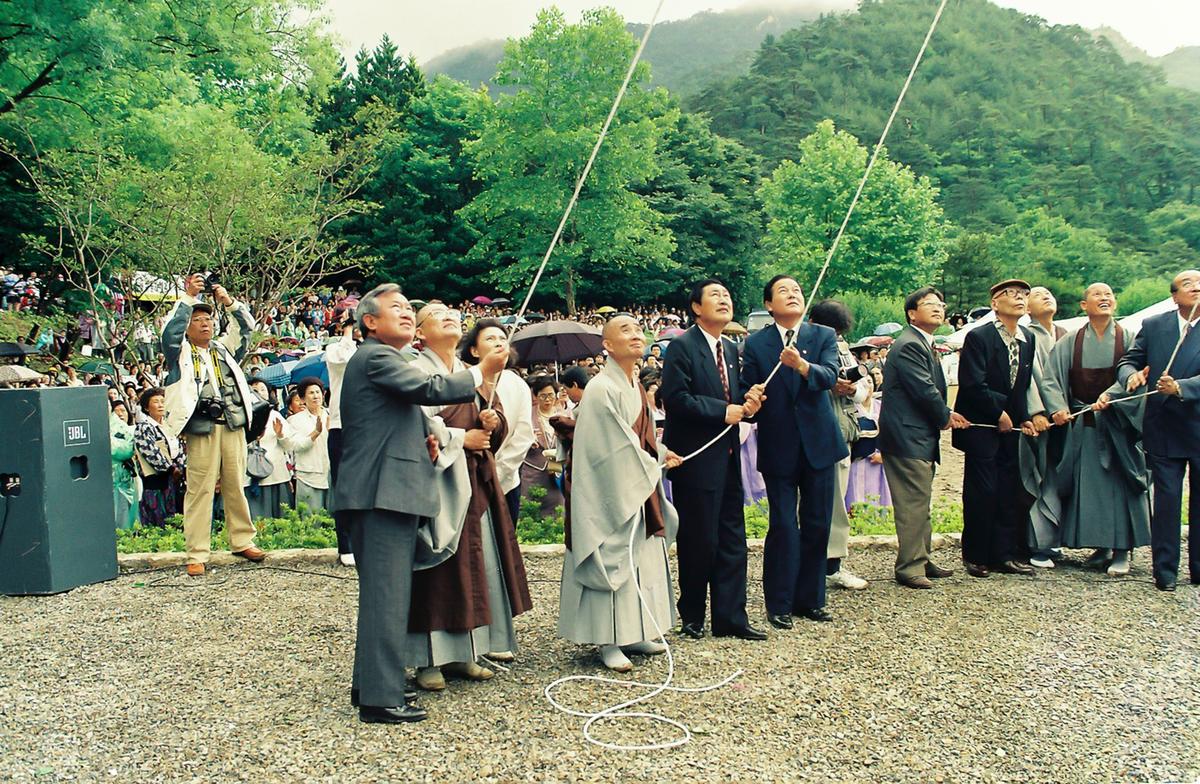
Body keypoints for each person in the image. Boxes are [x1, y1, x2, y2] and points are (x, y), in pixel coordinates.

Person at [333, 283, 509, 724]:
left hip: (387, 491)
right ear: (370, 321)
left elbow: (401, 420)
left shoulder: (383, 360)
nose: (407, 313)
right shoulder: (376, 356)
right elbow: (430, 388)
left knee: (385, 596)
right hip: (380, 494)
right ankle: (380, 698)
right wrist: (479, 371)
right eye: (396, 309)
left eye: (409, 309)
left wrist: (425, 442)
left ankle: (372, 685)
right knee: (387, 597)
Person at [405, 304, 532, 691]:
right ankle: (427, 660)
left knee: (474, 563)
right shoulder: (414, 368)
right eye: (435, 314)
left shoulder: (465, 373)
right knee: (436, 570)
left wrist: (490, 421)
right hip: (436, 478)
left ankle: (465, 652)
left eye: (451, 313)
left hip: (473, 479)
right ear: (420, 333)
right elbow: (418, 422)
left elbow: (484, 424)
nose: (447, 315)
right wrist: (463, 438)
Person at [559, 314, 683, 672]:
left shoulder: (634, 384)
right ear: (607, 346)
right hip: (608, 491)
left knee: (641, 557)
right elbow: (610, 447)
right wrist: (649, 464)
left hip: (636, 484)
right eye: (624, 331)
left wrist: (660, 453)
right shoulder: (601, 388)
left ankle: (636, 629)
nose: (635, 336)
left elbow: (640, 439)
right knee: (611, 556)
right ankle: (608, 639)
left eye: (637, 330)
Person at [660, 279, 765, 641]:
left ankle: (731, 617)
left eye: (727, 296)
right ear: (696, 308)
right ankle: (692, 615)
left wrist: (749, 404)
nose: (724, 300)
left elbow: (737, 404)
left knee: (733, 537)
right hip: (695, 458)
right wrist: (725, 411)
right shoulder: (681, 347)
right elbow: (674, 398)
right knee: (699, 539)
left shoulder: (734, 349)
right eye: (715, 296)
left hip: (730, 456)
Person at [742, 275, 847, 627]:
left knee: (818, 524)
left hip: (819, 443)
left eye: (797, 291)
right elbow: (747, 391)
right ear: (769, 305)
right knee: (784, 525)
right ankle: (779, 603)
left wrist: (801, 365)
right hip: (779, 445)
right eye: (783, 291)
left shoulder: (822, 336)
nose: (792, 295)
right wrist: (751, 399)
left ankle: (812, 599)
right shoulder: (756, 343)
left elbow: (830, 376)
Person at [1042, 283, 1150, 577]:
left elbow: (1137, 373)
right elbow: (1050, 377)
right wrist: (1057, 407)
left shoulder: (1128, 337)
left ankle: (1122, 550)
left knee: (1120, 487)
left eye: (1109, 295)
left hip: (1118, 424)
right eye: (1097, 296)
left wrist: (1112, 396)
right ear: (1083, 305)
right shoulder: (1071, 341)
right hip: (1083, 423)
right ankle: (1101, 545)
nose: (1104, 299)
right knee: (1088, 487)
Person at [160, 274, 265, 577]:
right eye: (197, 320)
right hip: (201, 425)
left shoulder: (223, 349)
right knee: (199, 490)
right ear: (188, 328)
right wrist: (188, 298)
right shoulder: (178, 353)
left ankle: (242, 539)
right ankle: (197, 552)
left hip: (232, 422)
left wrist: (229, 303)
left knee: (235, 484)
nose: (204, 323)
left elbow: (246, 330)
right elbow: (169, 333)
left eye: (207, 318)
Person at [879, 287, 969, 589]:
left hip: (917, 435)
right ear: (911, 313)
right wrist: (945, 415)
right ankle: (909, 566)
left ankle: (923, 557)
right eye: (928, 304)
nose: (937, 308)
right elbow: (923, 388)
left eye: (940, 304)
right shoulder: (909, 344)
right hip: (907, 436)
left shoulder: (923, 343)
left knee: (921, 500)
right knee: (912, 504)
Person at [1115, 269, 1200, 591]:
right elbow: (1128, 360)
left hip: (1197, 420)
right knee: (1166, 500)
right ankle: (1165, 570)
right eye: (1188, 284)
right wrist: (1131, 376)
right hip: (1163, 425)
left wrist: (1181, 388)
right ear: (1174, 295)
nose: (1197, 288)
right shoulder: (1155, 326)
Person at [952, 279, 1043, 578]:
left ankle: (1005, 554)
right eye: (1011, 294)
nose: (1019, 299)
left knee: (1009, 489)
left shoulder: (1027, 338)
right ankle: (976, 555)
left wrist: (1023, 416)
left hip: (1010, 427)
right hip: (980, 426)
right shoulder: (979, 337)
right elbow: (972, 383)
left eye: (1024, 295)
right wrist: (998, 412)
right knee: (982, 490)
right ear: (995, 303)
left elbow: (1022, 385)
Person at [807, 300, 869, 592]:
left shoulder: (844, 349)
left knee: (837, 502)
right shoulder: (805, 345)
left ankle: (833, 565)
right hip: (815, 430)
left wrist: (853, 388)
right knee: (810, 503)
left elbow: (865, 387)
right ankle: (811, 564)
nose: (837, 337)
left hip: (843, 429)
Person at [461, 318, 535, 528]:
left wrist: (498, 473)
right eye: (490, 338)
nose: (499, 343)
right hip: (468, 478)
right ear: (474, 351)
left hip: (507, 480)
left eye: (503, 338)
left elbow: (523, 435)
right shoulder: (463, 380)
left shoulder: (517, 384)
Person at [1023, 286, 1067, 568]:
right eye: (1038, 295)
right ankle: (1039, 544)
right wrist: (1038, 411)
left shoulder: (1066, 335)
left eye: (1049, 293)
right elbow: (1027, 380)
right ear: (1027, 308)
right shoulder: (1027, 337)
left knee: (1064, 479)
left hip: (1070, 417)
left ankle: (1060, 539)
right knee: (1039, 478)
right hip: (1041, 421)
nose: (1047, 296)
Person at [325, 309, 359, 566]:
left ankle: (366, 542)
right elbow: (343, 358)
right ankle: (345, 545)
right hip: (341, 427)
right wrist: (346, 331)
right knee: (345, 488)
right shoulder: (335, 350)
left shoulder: (375, 351)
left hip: (369, 428)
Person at [244, 379, 295, 520]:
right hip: (249, 473)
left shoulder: (275, 416)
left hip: (275, 473)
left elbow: (289, 446)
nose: (258, 392)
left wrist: (281, 435)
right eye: (254, 389)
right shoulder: (242, 415)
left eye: (262, 389)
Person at [134, 387, 185, 528]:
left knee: (176, 518)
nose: (161, 405)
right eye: (156, 402)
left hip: (174, 479)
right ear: (146, 406)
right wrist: (170, 468)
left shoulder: (169, 426)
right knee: (158, 518)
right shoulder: (144, 427)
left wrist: (180, 467)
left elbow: (179, 448)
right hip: (156, 481)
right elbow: (150, 450)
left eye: (163, 401)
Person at [520, 376, 566, 519]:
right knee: (530, 507)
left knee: (557, 510)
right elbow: (518, 436)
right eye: (543, 396)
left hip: (556, 466)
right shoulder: (528, 414)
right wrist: (528, 438)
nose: (547, 400)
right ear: (536, 396)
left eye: (551, 395)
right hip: (533, 468)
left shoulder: (564, 414)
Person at [285, 377, 331, 513]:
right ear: (303, 398)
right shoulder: (294, 420)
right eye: (311, 393)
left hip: (332, 474)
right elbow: (296, 446)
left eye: (318, 392)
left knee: (333, 521)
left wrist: (333, 433)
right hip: (308, 476)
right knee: (310, 522)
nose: (315, 396)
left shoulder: (332, 416)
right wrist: (315, 433)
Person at [109, 399, 138, 529]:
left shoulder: (132, 430)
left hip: (128, 479)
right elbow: (119, 451)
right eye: (117, 411)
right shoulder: (106, 429)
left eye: (123, 410)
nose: (120, 414)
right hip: (114, 480)